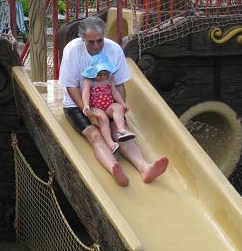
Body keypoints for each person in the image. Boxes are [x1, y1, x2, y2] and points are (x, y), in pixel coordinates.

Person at [59, 16, 168, 187]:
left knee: (121, 131)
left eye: (100, 41)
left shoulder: (114, 50)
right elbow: (71, 87)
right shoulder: (73, 50)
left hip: (106, 102)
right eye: (91, 42)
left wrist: (120, 110)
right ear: (82, 39)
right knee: (95, 135)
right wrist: (87, 112)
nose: (96, 46)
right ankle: (114, 168)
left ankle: (144, 167)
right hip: (78, 104)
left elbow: (119, 85)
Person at [81, 52, 136, 155]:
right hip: (95, 107)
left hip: (108, 106)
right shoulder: (89, 80)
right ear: (93, 72)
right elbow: (85, 93)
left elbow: (115, 92)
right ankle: (111, 144)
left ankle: (121, 130)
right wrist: (86, 105)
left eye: (105, 73)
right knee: (103, 118)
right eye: (99, 74)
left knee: (118, 107)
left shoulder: (110, 79)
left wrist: (122, 103)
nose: (103, 77)